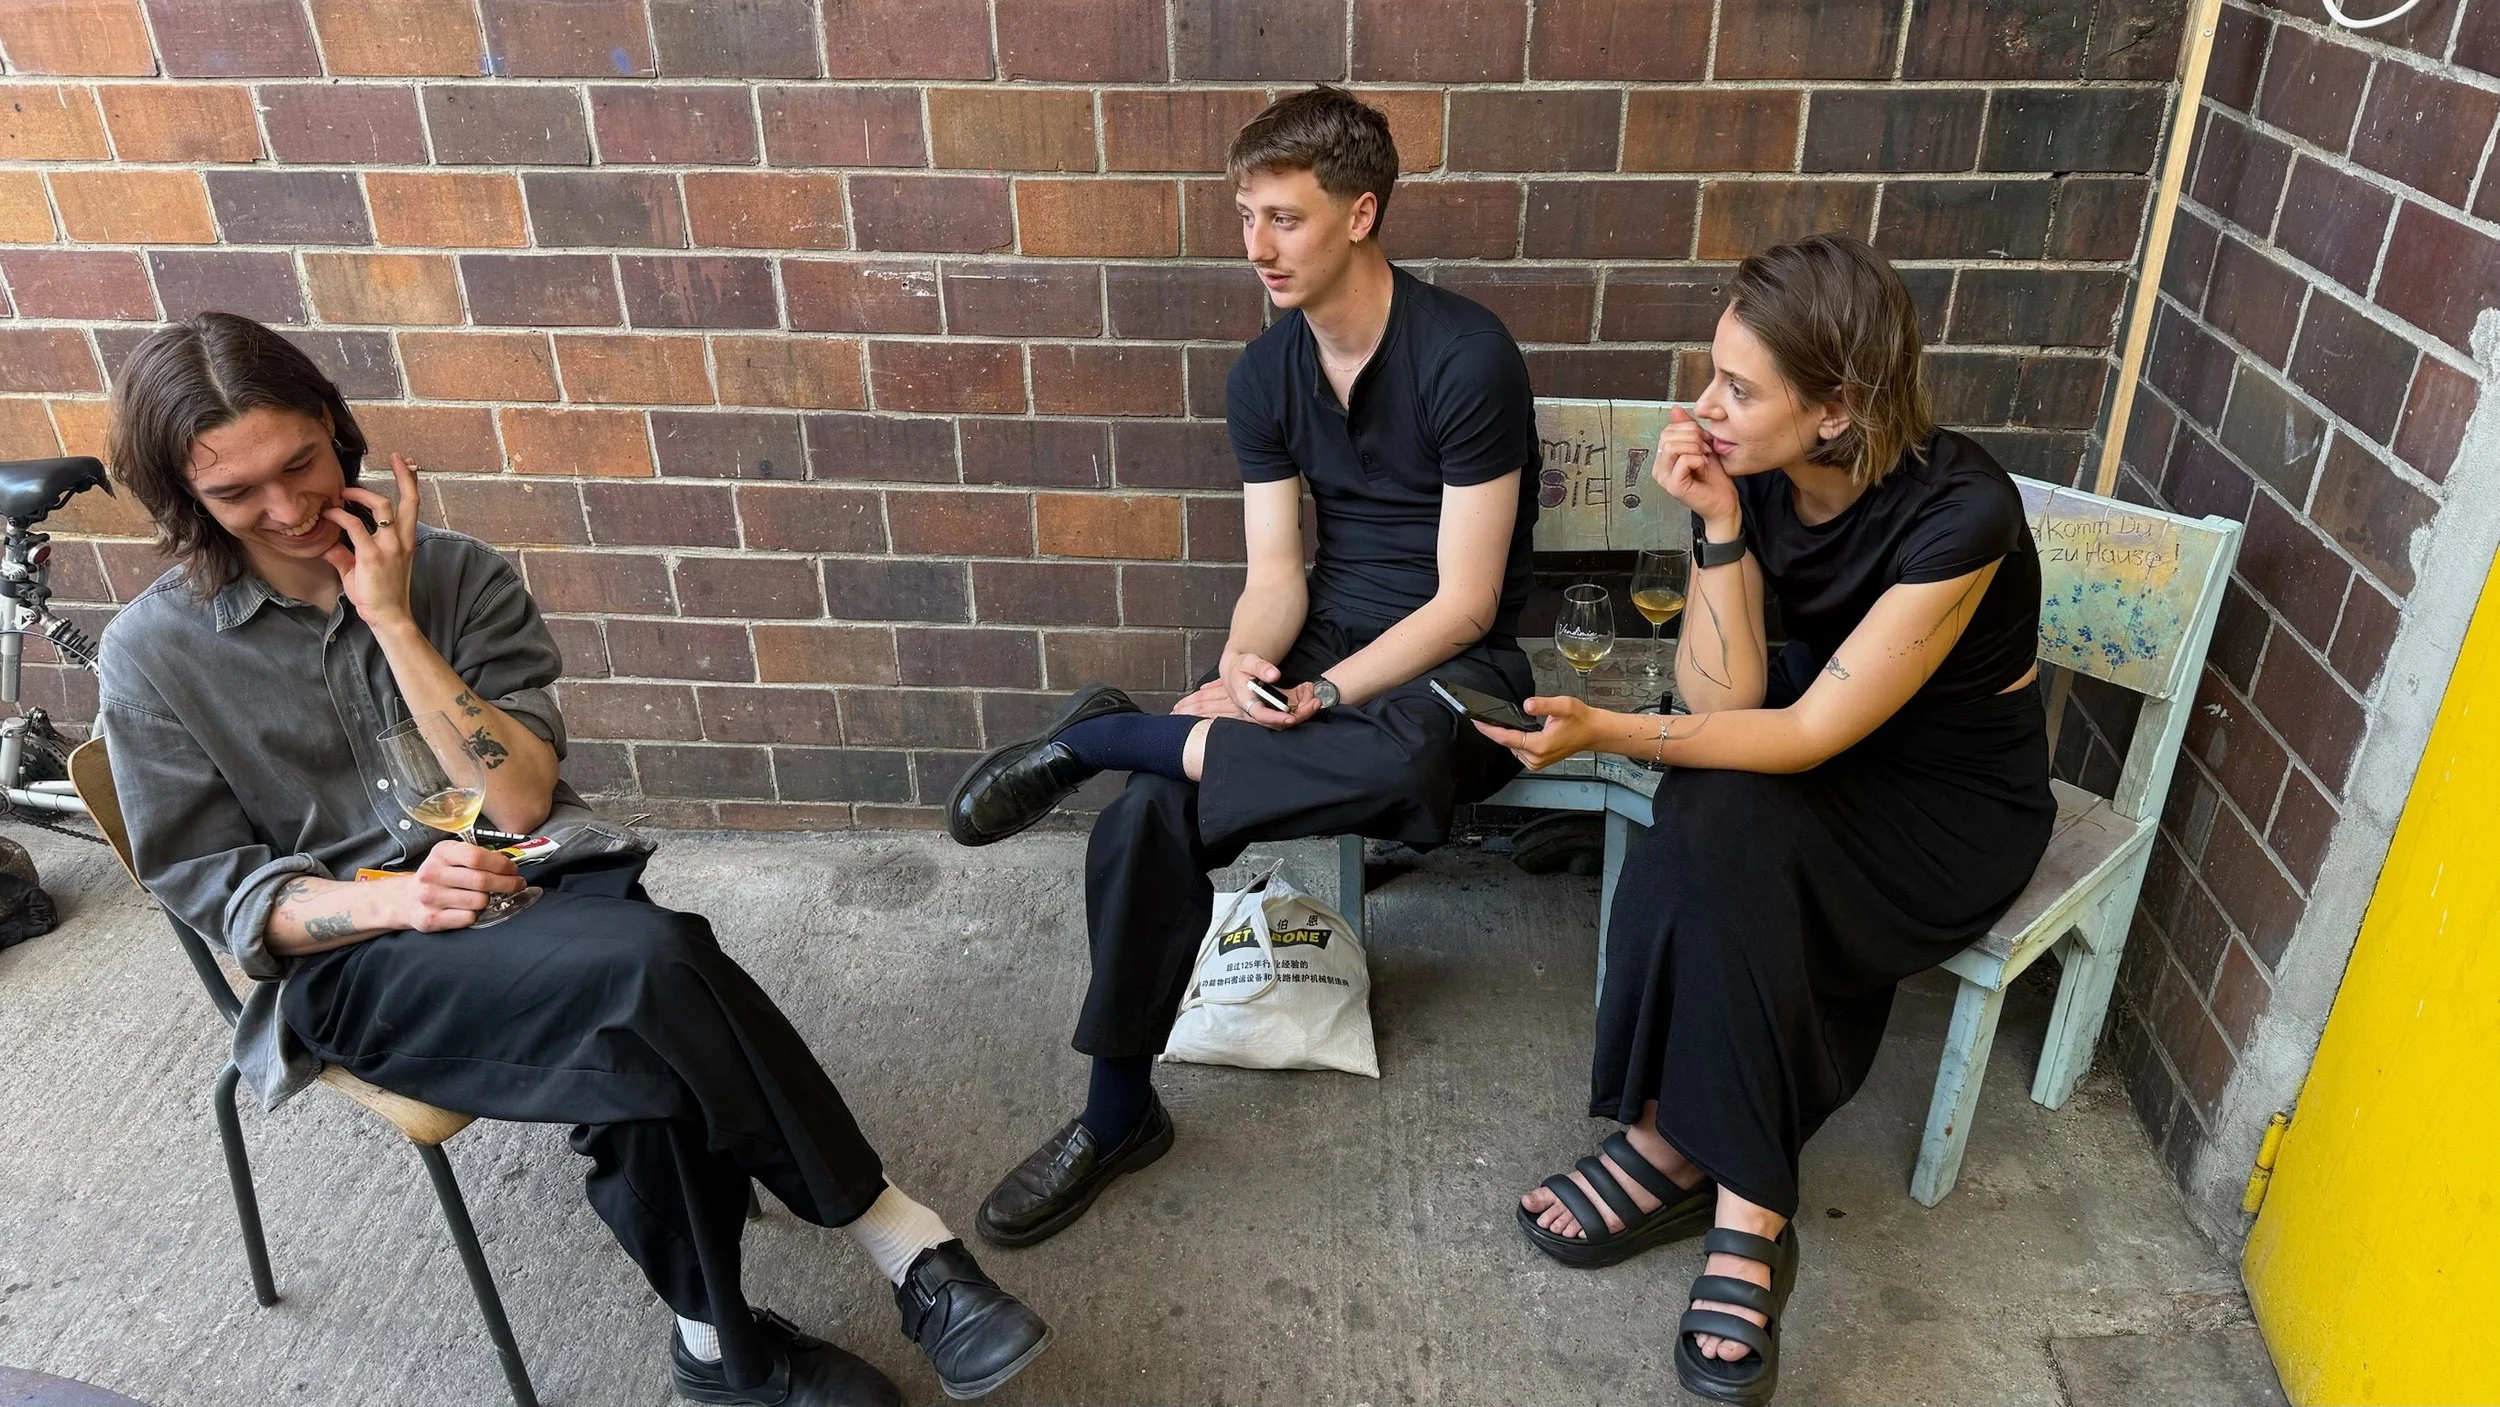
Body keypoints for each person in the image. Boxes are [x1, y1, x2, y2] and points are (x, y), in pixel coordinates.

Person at [96, 313, 1051, 1407]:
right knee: (653, 967)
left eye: (299, 462)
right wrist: (398, 901)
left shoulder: (455, 578)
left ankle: (715, 1352)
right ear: (184, 501)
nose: (287, 508)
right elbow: (222, 896)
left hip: (543, 879)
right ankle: (910, 1252)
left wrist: (396, 625)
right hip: (364, 963)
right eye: (237, 494)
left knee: (650, 1040)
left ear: (333, 425)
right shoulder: (153, 655)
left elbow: (517, 799)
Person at [943, 86, 1542, 1247]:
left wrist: (1320, 695)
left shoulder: (1466, 357)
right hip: (1324, 637)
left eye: (1285, 218)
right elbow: (1279, 568)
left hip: (1447, 662)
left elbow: (1465, 603)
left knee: (1418, 761)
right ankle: (1117, 1113)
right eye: (1246, 216)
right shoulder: (1262, 375)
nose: (1255, 247)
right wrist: (1250, 659)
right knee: (1145, 819)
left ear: (1362, 213)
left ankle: (1096, 734)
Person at [1475, 233, 2054, 1405]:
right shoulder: (1761, 483)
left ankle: (1722, 1180)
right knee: (1711, 808)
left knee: (1720, 807)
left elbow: (1795, 738)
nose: (1705, 407)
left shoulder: (1964, 512)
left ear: (1837, 409)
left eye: (1739, 388)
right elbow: (1722, 701)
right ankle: (1694, 1155)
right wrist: (1718, 527)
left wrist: (1606, 733)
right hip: (1820, 741)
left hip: (1943, 802)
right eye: (1712, 374)